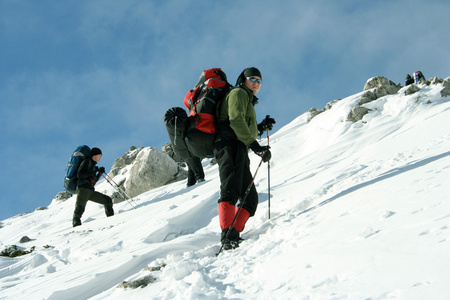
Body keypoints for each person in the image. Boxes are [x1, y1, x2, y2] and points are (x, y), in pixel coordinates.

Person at [214, 67, 275, 250]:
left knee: (250, 199)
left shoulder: (247, 99)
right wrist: (255, 145)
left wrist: (259, 127)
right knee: (230, 188)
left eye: (259, 81)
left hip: (238, 146)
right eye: (252, 78)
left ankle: (233, 232)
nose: (256, 83)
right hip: (228, 144)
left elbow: (243, 124)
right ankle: (227, 235)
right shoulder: (239, 92)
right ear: (243, 79)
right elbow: (235, 121)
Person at [72, 147, 114, 227]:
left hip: (90, 191)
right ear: (95, 155)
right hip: (83, 189)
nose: (100, 157)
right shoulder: (87, 162)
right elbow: (80, 174)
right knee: (80, 208)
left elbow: (93, 181)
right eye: (100, 155)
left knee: (107, 200)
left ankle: (111, 220)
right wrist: (93, 172)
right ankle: (76, 226)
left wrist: (99, 173)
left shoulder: (93, 165)